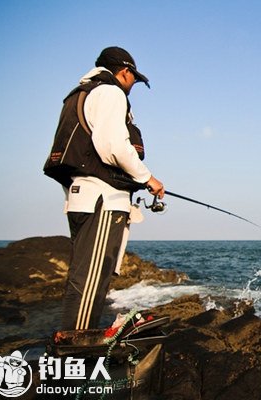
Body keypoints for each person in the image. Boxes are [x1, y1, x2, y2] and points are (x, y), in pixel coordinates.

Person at [44, 46, 164, 330]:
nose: (134, 85)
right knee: (90, 282)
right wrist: (149, 179)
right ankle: (76, 351)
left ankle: (73, 348)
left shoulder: (81, 93)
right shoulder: (110, 93)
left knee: (83, 276)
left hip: (83, 198)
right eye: (134, 79)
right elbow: (113, 146)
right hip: (103, 200)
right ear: (125, 72)